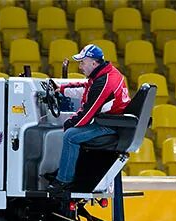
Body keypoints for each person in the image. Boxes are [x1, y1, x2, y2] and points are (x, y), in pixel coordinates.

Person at [46, 44, 131, 197]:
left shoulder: (104, 83)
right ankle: (65, 171)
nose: (80, 67)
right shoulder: (103, 74)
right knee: (72, 131)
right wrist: (63, 89)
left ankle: (64, 181)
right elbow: (86, 88)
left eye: (82, 63)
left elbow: (86, 115)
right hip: (112, 121)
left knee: (71, 135)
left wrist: (69, 123)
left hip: (112, 125)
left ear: (93, 63)